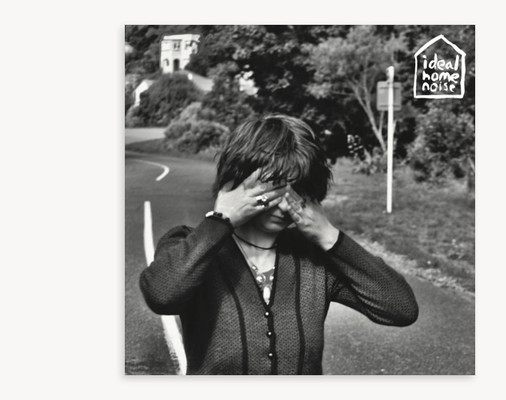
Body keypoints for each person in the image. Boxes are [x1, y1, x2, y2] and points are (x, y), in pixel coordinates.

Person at [139, 115, 419, 375]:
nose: (285, 204)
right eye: (274, 187)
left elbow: (401, 309)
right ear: (236, 180)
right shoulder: (191, 245)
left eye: (299, 189)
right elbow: (162, 295)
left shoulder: (314, 259)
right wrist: (220, 220)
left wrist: (328, 236)